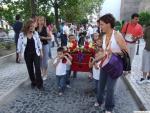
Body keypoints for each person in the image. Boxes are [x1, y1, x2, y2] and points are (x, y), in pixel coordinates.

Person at [94, 14, 128, 113]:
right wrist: (95, 60)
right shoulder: (104, 36)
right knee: (101, 85)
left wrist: (113, 52)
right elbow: (104, 52)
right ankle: (99, 101)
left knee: (110, 88)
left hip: (115, 66)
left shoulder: (117, 35)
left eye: (102, 24)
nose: (100, 26)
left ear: (108, 24)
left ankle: (109, 107)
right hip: (105, 65)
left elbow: (126, 51)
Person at [17, 19, 43, 90]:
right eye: (30, 26)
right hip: (27, 54)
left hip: (35, 53)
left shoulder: (35, 33)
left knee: (37, 68)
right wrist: (19, 55)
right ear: (27, 26)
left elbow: (39, 43)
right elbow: (19, 45)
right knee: (30, 69)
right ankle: (33, 82)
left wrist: (41, 52)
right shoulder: (22, 34)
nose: (32, 28)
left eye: (33, 26)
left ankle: (40, 84)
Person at [37, 16, 51, 80]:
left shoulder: (46, 28)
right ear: (38, 21)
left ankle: (45, 74)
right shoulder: (35, 28)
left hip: (45, 45)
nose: (41, 21)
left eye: (42, 20)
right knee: (39, 60)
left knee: (45, 60)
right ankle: (42, 72)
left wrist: (44, 38)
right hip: (37, 47)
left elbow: (50, 38)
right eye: (40, 20)